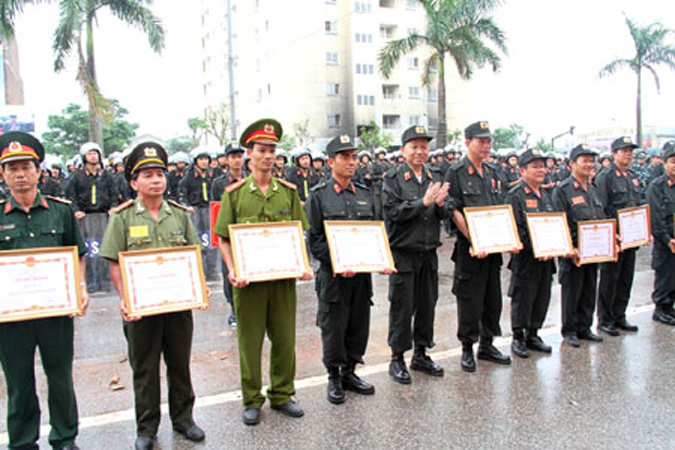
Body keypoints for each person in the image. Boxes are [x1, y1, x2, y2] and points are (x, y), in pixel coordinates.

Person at [100, 141, 206, 450]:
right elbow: (115, 264)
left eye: (160, 173)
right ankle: (146, 428)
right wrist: (124, 299)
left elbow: (192, 257)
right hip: (140, 310)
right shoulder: (122, 218)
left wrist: (197, 291)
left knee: (180, 365)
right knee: (145, 370)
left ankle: (184, 420)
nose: (156, 180)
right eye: (147, 175)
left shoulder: (179, 215)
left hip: (177, 306)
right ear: (134, 182)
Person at [214, 119, 312, 426]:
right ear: (249, 154)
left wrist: (303, 265)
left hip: (282, 281)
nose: (268, 156)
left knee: (284, 339)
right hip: (249, 283)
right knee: (250, 341)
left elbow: (299, 234)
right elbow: (223, 239)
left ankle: (282, 394)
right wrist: (232, 270)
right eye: (262, 150)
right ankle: (252, 398)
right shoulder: (235, 194)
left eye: (272, 150)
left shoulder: (288, 192)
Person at [0, 131, 88, 450]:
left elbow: (76, 254)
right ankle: (23, 441)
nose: (20, 173)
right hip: (11, 317)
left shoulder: (60, 211)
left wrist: (80, 288)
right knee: (19, 382)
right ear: (3, 174)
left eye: (26, 166)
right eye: (12, 168)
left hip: (56, 310)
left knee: (60, 377)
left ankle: (64, 437)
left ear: (39, 171)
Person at [308, 135, 392, 404]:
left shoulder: (366, 195)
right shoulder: (319, 196)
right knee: (334, 326)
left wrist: (381, 260)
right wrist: (337, 264)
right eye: (345, 157)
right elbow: (316, 240)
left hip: (361, 276)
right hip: (334, 277)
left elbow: (374, 234)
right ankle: (334, 376)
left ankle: (351, 372)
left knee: (358, 324)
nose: (351, 162)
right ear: (331, 162)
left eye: (354, 157)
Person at [382, 125, 450, 384]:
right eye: (414, 146)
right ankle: (397, 358)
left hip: (428, 252)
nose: (420, 151)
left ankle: (421, 353)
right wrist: (422, 203)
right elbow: (392, 212)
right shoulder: (393, 178)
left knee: (426, 305)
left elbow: (445, 214)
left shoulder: (434, 176)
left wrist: (442, 205)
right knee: (402, 306)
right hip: (404, 254)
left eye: (424, 146)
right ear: (403, 150)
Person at [445, 121, 511, 373]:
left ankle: (487, 344)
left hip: (492, 250)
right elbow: (453, 210)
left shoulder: (494, 172)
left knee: (492, 298)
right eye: (481, 141)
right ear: (467, 143)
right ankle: (467, 348)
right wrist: (475, 239)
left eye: (488, 141)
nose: (486, 146)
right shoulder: (457, 171)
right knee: (470, 300)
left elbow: (500, 211)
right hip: (470, 250)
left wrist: (507, 239)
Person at [506, 149, 561, 358]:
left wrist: (554, 246)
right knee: (523, 297)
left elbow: (556, 225)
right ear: (522, 170)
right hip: (526, 258)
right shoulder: (515, 195)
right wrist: (537, 248)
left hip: (546, 259)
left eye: (542, 165)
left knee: (542, 295)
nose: (541, 170)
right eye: (535, 166)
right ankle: (518, 336)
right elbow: (516, 228)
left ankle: (534, 334)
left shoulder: (547, 196)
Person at [553, 144, 607, 348]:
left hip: (592, 251)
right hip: (573, 251)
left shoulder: (593, 189)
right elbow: (559, 222)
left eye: (591, 160)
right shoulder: (563, 190)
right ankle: (569, 330)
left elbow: (600, 218)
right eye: (584, 160)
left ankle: (585, 327)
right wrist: (570, 247)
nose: (589, 164)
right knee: (571, 291)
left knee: (589, 288)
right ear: (571, 164)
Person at [594, 137, 641, 336]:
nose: (628, 154)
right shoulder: (606, 176)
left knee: (625, 277)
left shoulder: (630, 176)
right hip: (614, 238)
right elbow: (601, 208)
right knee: (609, 278)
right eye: (624, 151)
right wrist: (611, 234)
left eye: (631, 151)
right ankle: (605, 319)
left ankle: (619, 315)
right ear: (614, 154)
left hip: (631, 237)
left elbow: (636, 206)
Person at [66, 141, 117, 292]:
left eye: (95, 153)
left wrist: (113, 207)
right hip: (85, 218)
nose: (93, 156)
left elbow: (114, 193)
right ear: (84, 157)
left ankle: (106, 284)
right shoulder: (77, 177)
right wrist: (75, 210)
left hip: (103, 217)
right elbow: (71, 196)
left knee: (105, 250)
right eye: (90, 153)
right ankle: (89, 284)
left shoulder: (107, 176)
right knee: (88, 252)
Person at [211, 142, 246, 327]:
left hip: (248, 235)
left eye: (240, 156)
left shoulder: (251, 179)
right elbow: (216, 210)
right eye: (233, 156)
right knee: (229, 272)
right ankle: (234, 308)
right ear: (226, 160)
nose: (237, 160)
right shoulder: (219, 183)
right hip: (229, 236)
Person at [647, 141, 675, 325]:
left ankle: (670, 306)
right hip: (666, 242)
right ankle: (661, 308)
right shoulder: (657, 186)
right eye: (672, 161)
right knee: (665, 275)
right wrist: (667, 239)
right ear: (664, 164)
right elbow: (656, 218)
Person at [179, 147, 218, 280]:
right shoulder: (188, 178)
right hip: (195, 211)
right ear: (195, 161)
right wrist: (187, 206)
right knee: (197, 240)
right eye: (201, 159)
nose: (204, 162)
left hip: (208, 210)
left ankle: (212, 271)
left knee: (211, 241)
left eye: (206, 159)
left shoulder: (212, 176)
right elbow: (182, 195)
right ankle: (199, 271)